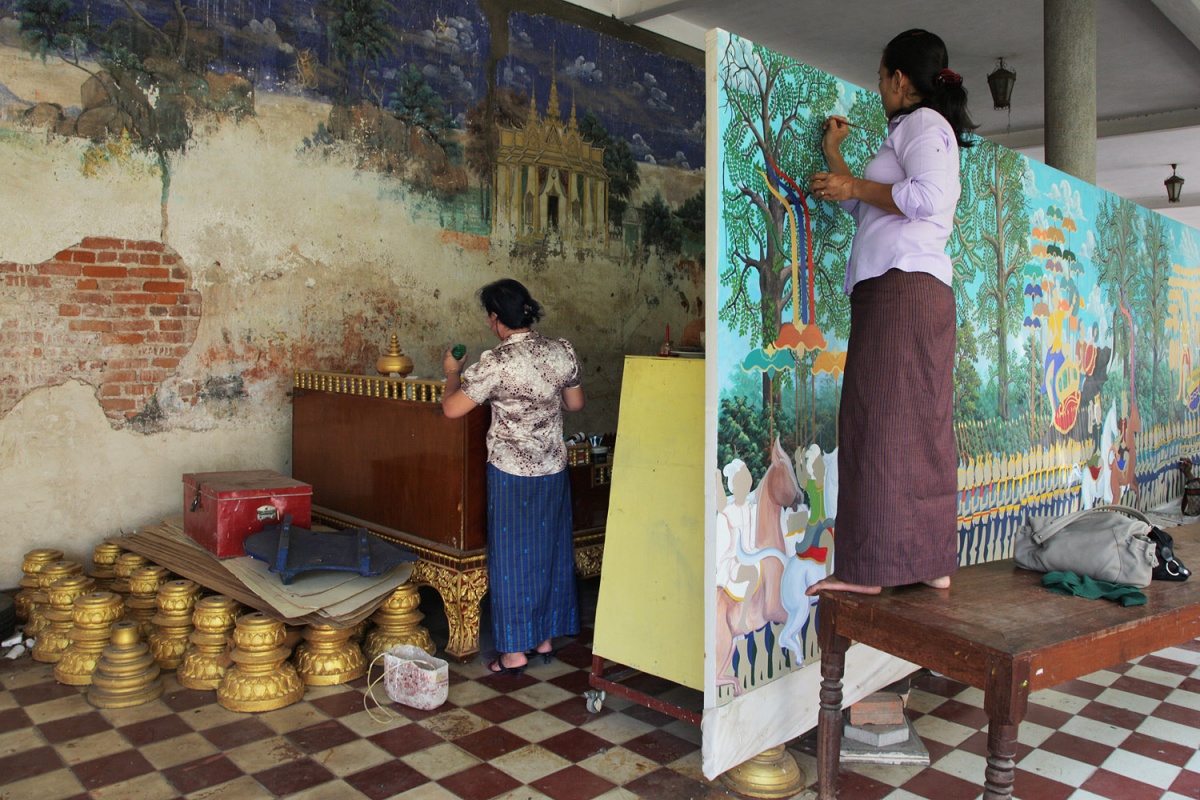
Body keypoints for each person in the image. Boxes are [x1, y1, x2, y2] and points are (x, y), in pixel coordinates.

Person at [805, 29, 975, 596]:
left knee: (875, 421)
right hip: (910, 289)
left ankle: (868, 571)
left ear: (900, 80)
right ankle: (930, 561)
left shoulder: (925, 126)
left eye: (881, 77)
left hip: (901, 289)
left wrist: (853, 180)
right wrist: (838, 163)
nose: (879, 88)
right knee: (918, 426)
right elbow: (875, 211)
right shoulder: (913, 132)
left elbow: (927, 198)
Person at [441, 279, 586, 673]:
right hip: (553, 467)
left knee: (511, 559)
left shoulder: (496, 363)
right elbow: (575, 404)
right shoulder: (561, 352)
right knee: (549, 552)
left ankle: (513, 652)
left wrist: (452, 373)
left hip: (510, 472)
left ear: (494, 318)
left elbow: (453, 410)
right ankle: (543, 639)